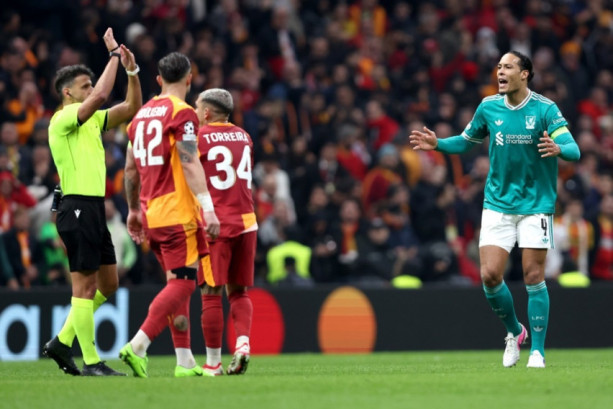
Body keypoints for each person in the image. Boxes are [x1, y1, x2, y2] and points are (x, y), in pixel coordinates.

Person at [409, 50, 580, 369]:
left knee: (533, 275)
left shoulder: (545, 109)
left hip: (536, 204)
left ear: (524, 73)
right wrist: (439, 144)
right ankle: (515, 331)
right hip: (498, 203)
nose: (500, 72)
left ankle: (538, 351)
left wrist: (559, 148)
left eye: (508, 67)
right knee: (489, 275)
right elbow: (466, 141)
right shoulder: (488, 106)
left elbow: (574, 149)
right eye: (498, 67)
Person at [44, 28, 142, 376]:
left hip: (95, 209)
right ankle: (91, 361)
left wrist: (132, 71)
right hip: (77, 206)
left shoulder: (93, 121)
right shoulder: (62, 119)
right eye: (83, 86)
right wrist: (113, 54)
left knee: (109, 284)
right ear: (67, 92)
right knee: (84, 287)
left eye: (90, 85)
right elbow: (101, 95)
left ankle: (61, 341)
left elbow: (132, 107)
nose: (91, 90)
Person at [119, 52, 220, 378]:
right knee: (185, 286)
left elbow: (130, 169)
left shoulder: (139, 117)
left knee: (177, 282)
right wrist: (208, 208)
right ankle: (138, 345)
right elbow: (189, 161)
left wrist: (133, 209)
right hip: (177, 213)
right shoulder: (183, 113)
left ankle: (184, 360)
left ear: (159, 80)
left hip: (151, 213)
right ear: (190, 78)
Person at [194, 88, 258, 375]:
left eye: (197, 107)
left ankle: (213, 363)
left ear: (207, 112)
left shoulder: (198, 137)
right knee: (239, 291)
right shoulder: (244, 136)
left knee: (210, 292)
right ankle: (242, 345)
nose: (195, 112)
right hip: (247, 222)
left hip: (216, 224)